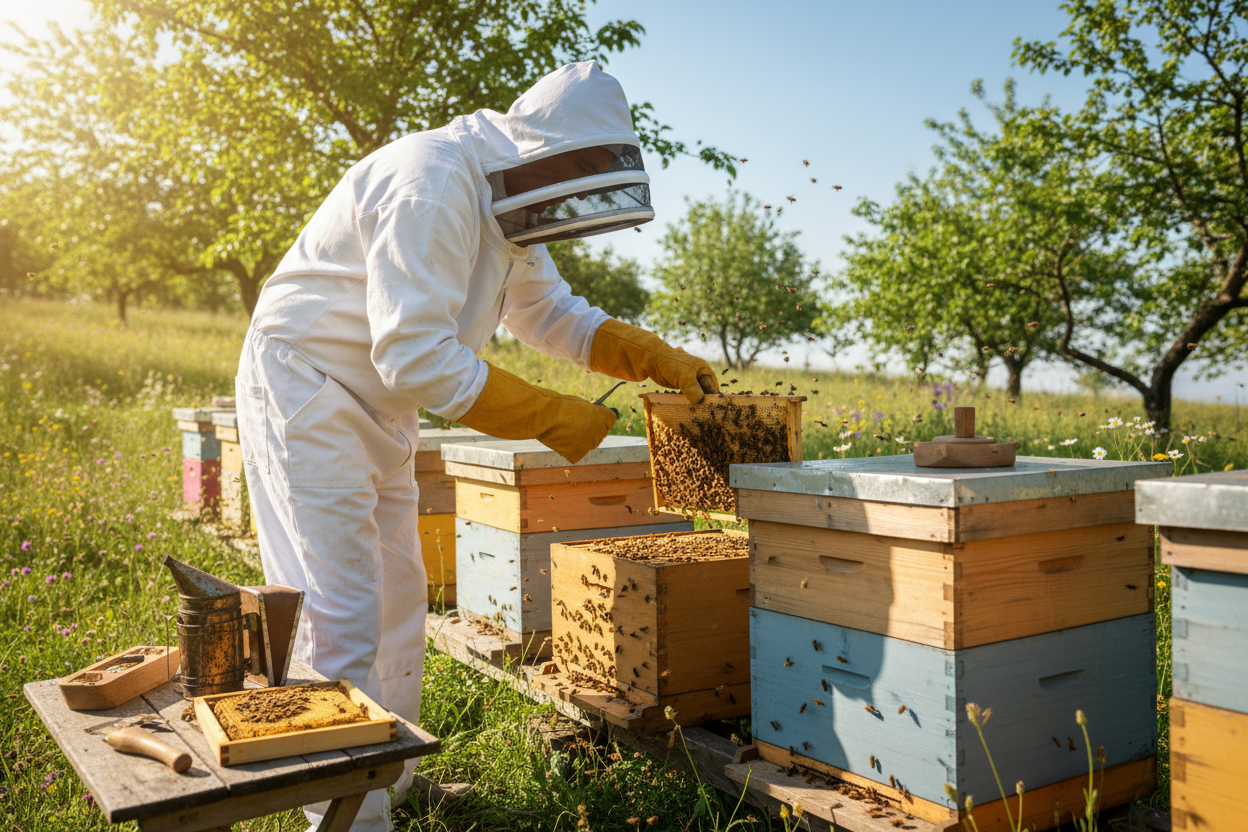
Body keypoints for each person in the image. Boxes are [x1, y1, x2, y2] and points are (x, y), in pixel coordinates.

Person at [235, 60, 717, 831]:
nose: (570, 200)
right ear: (543, 151)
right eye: (573, 176)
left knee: (398, 598)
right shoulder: (431, 182)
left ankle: (387, 780)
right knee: (340, 610)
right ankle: (346, 818)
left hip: (375, 405)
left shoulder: (507, 200)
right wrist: (549, 416)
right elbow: (417, 354)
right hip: (306, 388)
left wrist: (646, 353)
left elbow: (548, 312)